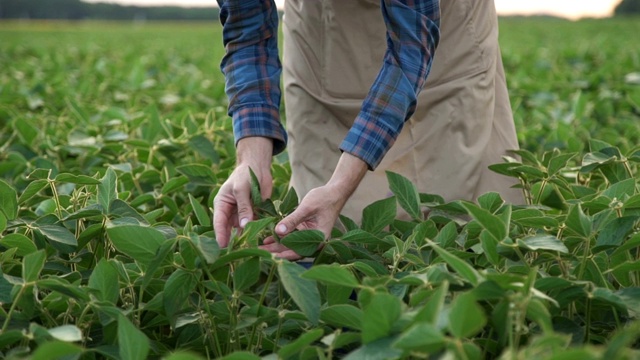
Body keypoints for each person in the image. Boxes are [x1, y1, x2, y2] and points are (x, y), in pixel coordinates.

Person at [213, 0, 522, 260]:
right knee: (330, 245)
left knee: (455, 227)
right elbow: (247, 32)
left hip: (443, 35)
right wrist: (251, 160)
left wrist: (340, 187)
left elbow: (410, 51)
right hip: (324, 30)